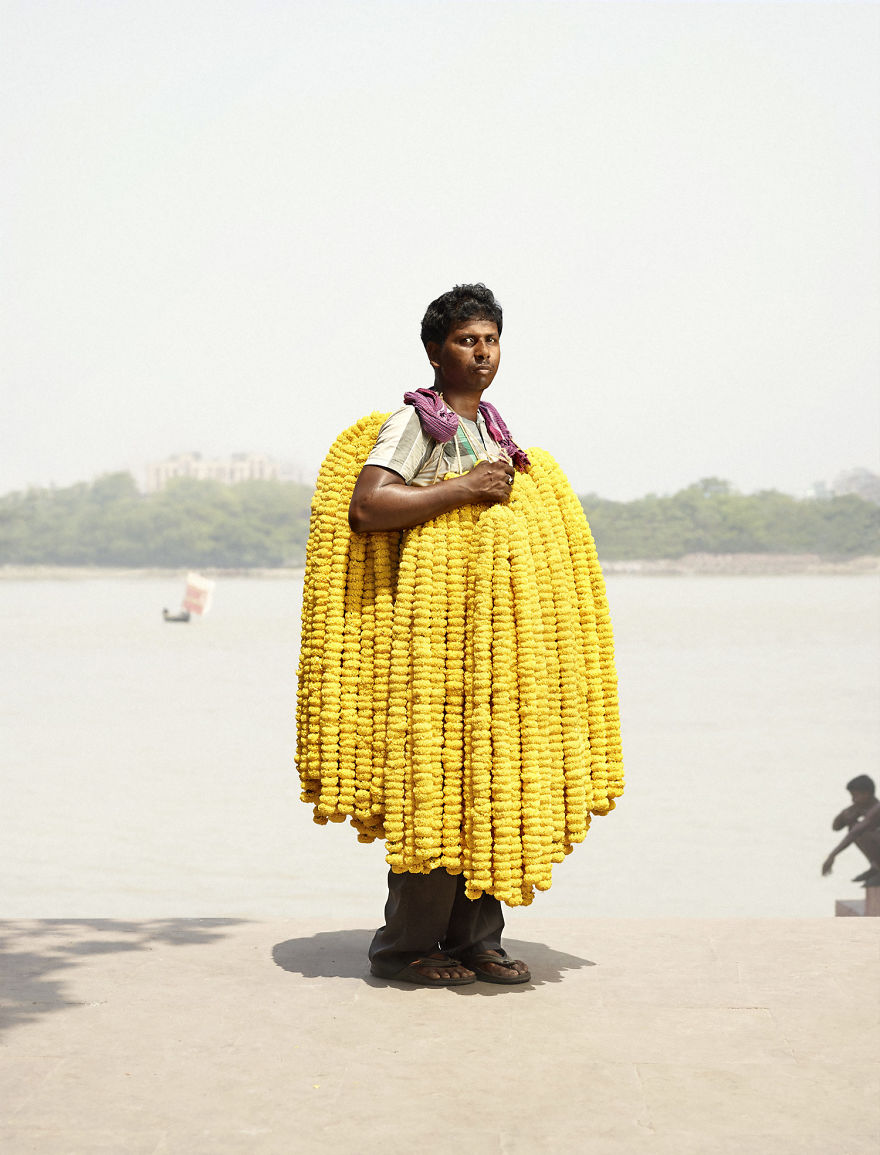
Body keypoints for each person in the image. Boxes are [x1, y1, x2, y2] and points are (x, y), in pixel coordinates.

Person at [348, 284, 532, 986]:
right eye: (466, 340)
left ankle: (475, 939)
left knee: (485, 784)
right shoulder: (417, 425)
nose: (481, 353)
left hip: (484, 645)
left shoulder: (491, 427)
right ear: (434, 350)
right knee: (433, 788)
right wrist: (462, 490)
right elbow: (370, 505)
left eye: (489, 340)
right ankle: (404, 947)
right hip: (427, 644)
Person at [821, 775, 880, 886]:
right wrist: (846, 813)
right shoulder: (860, 808)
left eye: (855, 795)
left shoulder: (877, 809)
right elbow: (836, 827)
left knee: (859, 830)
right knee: (854, 826)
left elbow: (856, 832)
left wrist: (832, 855)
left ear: (866, 794)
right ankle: (876, 866)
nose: (853, 799)